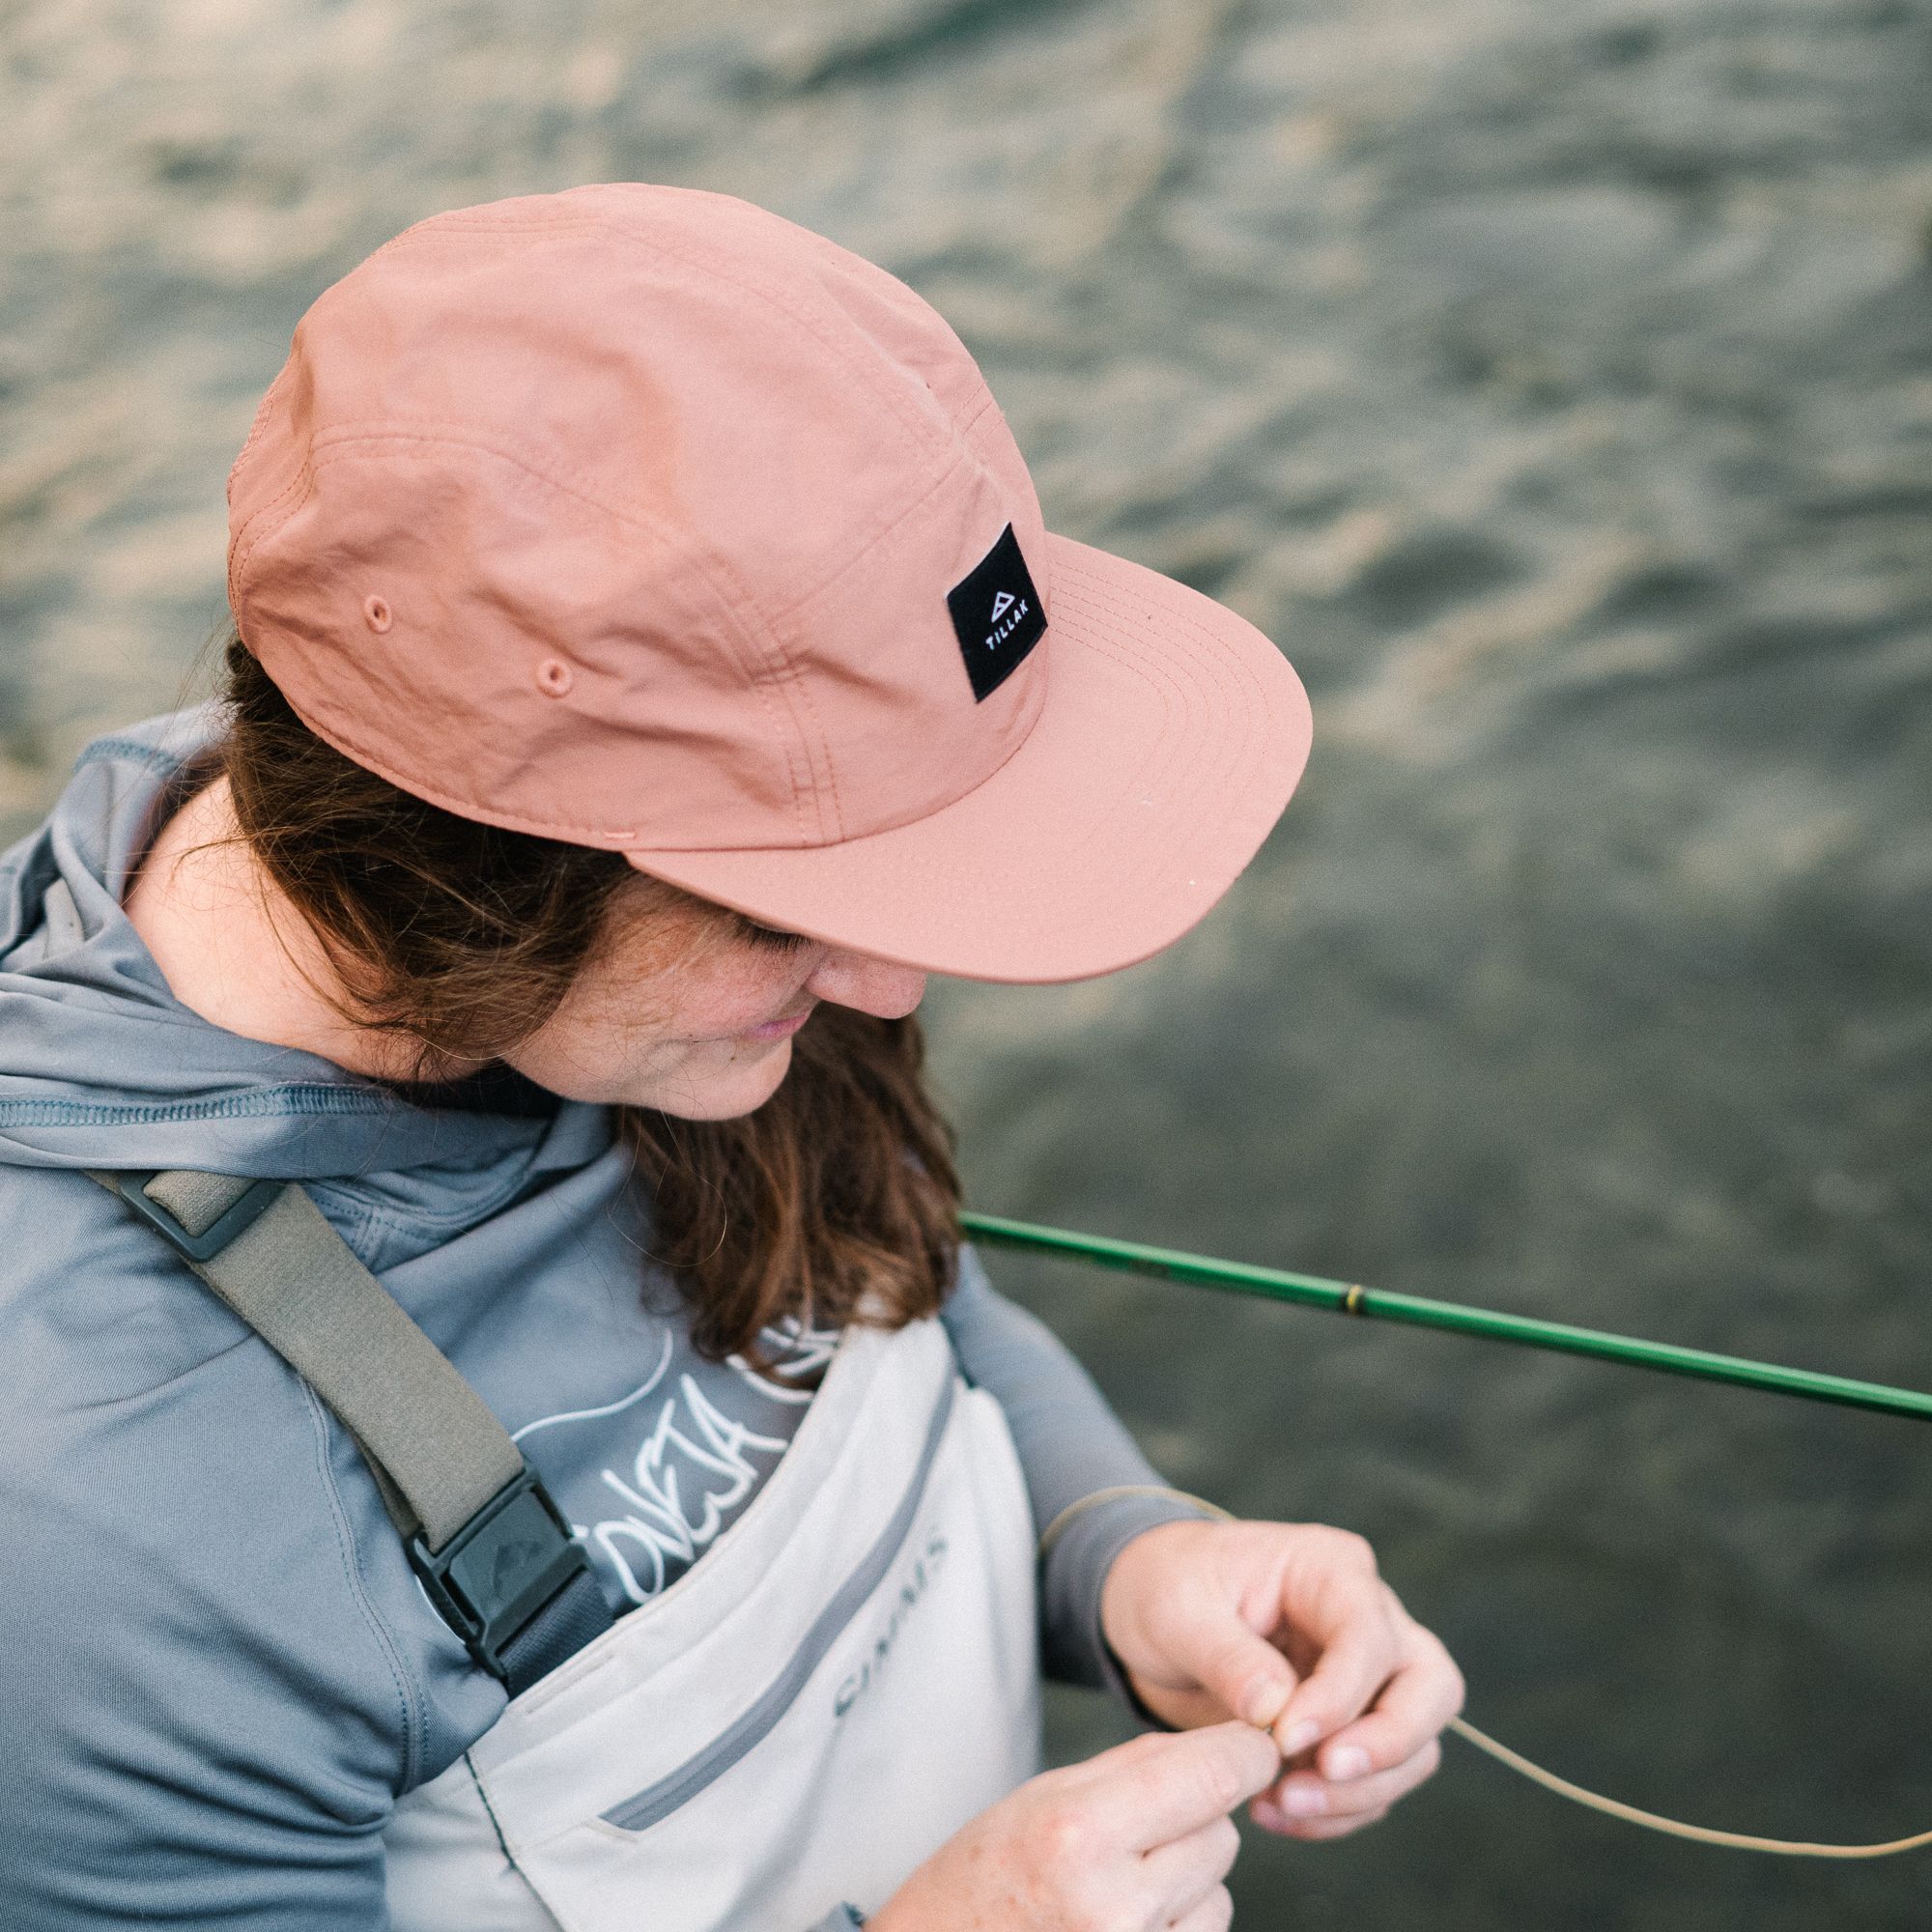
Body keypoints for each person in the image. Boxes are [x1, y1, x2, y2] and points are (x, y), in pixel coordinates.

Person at [0, 184, 1463, 1931]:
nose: (892, 982)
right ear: (469, 865)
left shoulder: (620, 981)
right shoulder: (88, 1541)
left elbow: (898, 1297)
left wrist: (1128, 1555)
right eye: (794, 909)